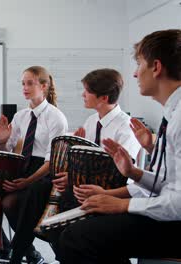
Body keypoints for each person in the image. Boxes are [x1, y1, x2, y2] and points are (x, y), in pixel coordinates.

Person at [58, 29, 181, 263]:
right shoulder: (172, 113)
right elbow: (167, 183)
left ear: (156, 67)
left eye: (139, 64)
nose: (134, 74)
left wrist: (122, 205)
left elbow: (177, 203)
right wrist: (133, 173)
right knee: (80, 229)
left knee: (77, 238)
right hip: (170, 213)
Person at [0, 65, 68, 264]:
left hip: (43, 173)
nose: (25, 87)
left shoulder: (56, 117)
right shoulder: (21, 116)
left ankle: (23, 251)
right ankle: (4, 248)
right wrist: (3, 141)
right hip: (21, 167)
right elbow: (6, 153)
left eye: (30, 83)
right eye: (23, 83)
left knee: (10, 203)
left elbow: (52, 162)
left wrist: (25, 182)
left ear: (44, 86)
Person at [52, 68, 142, 211]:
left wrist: (73, 178)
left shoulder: (126, 127)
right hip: (88, 184)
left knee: (61, 200)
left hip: (113, 190)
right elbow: (88, 162)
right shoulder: (91, 121)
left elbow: (117, 172)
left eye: (87, 91)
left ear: (104, 98)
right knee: (50, 192)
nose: (83, 95)